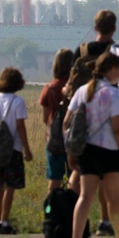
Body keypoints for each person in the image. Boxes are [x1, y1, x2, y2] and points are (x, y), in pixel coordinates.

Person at [75, 9, 119, 237]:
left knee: (83, 187)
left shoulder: (82, 50)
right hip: (108, 117)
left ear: (95, 26)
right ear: (114, 28)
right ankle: (106, 222)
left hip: (83, 120)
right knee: (110, 187)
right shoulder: (118, 52)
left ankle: (77, 233)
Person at [66, 52, 119, 238]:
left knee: (85, 197)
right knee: (113, 198)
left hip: (87, 150)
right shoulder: (113, 94)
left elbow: (67, 122)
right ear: (111, 70)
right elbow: (117, 129)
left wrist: (71, 151)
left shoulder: (82, 91)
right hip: (110, 151)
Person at [0, 67, 33, 235]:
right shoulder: (18, 102)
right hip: (13, 148)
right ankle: (5, 222)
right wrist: (27, 149)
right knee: (10, 186)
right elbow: (20, 127)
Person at [39, 49, 74, 192]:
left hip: (54, 140)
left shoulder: (50, 88)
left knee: (54, 181)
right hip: (74, 139)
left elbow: (45, 118)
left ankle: (51, 211)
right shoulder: (77, 88)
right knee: (75, 180)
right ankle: (74, 212)